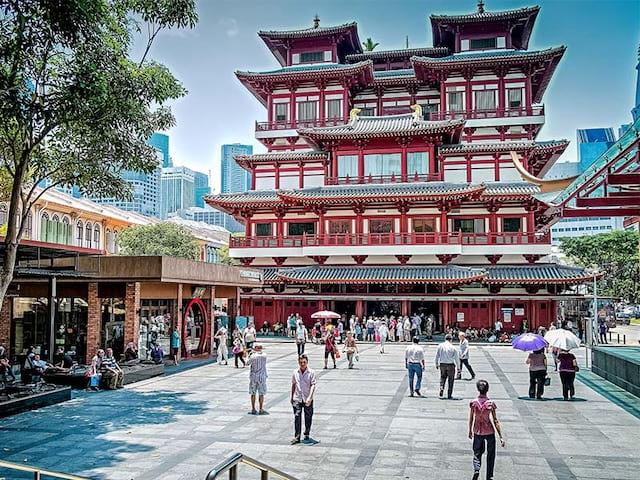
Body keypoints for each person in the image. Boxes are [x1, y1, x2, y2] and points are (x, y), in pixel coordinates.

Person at [468, 379, 505, 480]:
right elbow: (495, 420)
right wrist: (501, 436)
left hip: (477, 430)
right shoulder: (490, 403)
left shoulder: (473, 403)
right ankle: (490, 476)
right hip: (489, 430)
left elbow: (471, 417)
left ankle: (477, 468)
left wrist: (470, 430)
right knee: (491, 454)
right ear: (487, 390)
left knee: (477, 452)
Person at [290, 354, 317, 444]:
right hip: (297, 397)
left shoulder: (311, 372)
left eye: (304, 362)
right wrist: (292, 397)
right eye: (301, 362)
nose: (302, 364)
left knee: (308, 417)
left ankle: (306, 433)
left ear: (307, 362)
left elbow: (313, 385)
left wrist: (310, 397)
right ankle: (297, 437)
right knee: (297, 416)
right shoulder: (295, 372)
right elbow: (293, 384)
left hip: (307, 398)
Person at [435, 334, 460, 399]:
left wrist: (436, 363)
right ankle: (449, 394)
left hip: (442, 364)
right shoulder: (453, 347)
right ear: (451, 339)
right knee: (451, 380)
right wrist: (458, 368)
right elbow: (456, 358)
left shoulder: (440, 346)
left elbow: (437, 355)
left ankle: (441, 387)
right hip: (450, 364)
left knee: (442, 377)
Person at [247, 343, 268, 415]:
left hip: (253, 377)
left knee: (253, 393)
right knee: (261, 393)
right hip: (262, 377)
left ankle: (253, 408)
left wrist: (249, 354)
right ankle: (261, 408)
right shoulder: (264, 355)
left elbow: (247, 363)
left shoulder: (252, 356)